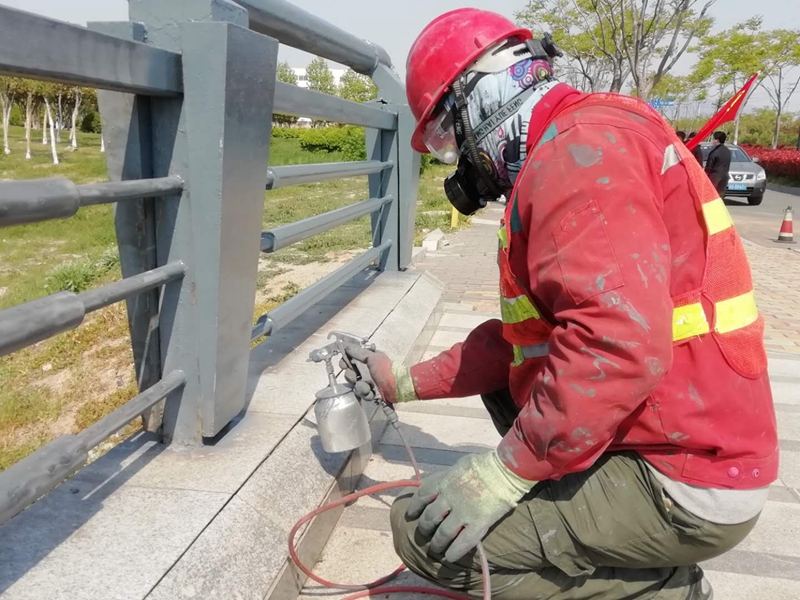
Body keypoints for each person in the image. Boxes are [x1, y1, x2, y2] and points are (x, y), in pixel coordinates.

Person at [346, 9, 777, 599]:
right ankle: (624, 549)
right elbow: (521, 344)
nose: (460, 159)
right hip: (682, 429)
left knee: (424, 538)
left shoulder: (577, 156)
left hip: (686, 478)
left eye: (447, 138)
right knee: (514, 385)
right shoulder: (583, 135)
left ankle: (666, 589)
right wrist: (400, 381)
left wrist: (504, 473)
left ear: (478, 96)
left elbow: (614, 343)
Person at [705, 131, 732, 197]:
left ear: (717, 140)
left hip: (715, 177)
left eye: (713, 139)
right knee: (720, 197)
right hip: (725, 176)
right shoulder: (728, 151)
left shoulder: (714, 152)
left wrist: (705, 175)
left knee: (711, 196)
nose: (712, 141)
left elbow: (709, 167)